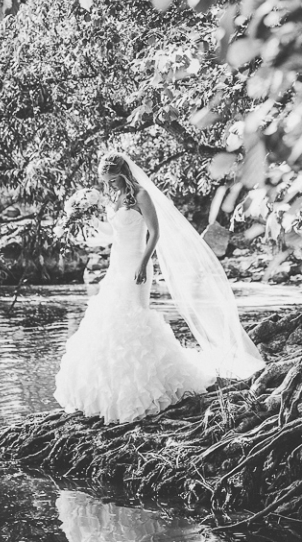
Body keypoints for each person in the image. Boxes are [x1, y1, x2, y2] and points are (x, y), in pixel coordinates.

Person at [54, 149, 264, 425]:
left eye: (114, 179)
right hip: (117, 265)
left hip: (137, 264)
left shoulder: (141, 195)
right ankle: (112, 386)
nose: (110, 185)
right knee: (109, 318)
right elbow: (112, 234)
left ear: (125, 174)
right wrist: (84, 220)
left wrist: (143, 263)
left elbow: (155, 233)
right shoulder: (113, 197)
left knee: (134, 318)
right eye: (107, 181)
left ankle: (148, 384)